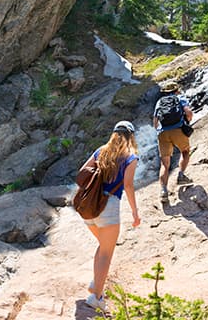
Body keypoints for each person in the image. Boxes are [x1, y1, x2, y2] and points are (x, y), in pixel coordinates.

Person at [80, 120, 140, 312]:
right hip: (109, 206)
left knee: (102, 247)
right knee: (107, 252)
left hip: (88, 207)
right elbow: (129, 186)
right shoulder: (131, 157)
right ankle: (96, 297)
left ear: (114, 134)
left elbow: (82, 173)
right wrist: (135, 212)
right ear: (131, 136)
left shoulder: (100, 151)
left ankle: (95, 284)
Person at [153, 81, 194, 203]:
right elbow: (188, 113)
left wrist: (162, 131)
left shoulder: (159, 102)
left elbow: (155, 122)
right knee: (185, 152)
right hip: (178, 129)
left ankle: (163, 191)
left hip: (162, 133)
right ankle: (181, 175)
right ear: (176, 90)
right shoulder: (180, 98)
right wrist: (187, 122)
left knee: (165, 164)